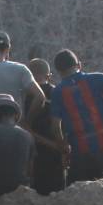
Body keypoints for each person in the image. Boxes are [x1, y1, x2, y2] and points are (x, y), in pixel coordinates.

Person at [49, 50, 103, 185]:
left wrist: (64, 148)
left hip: (79, 151)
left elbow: (55, 127)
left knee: (81, 193)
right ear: (79, 65)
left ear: (58, 71)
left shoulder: (58, 92)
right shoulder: (96, 78)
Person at [25, 58, 67, 196]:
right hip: (56, 151)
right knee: (57, 196)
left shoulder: (24, 96)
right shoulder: (59, 93)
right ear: (49, 76)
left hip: (31, 154)